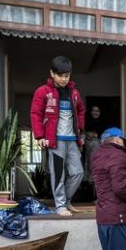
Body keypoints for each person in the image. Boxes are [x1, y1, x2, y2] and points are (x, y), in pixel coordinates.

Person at [30, 56, 85, 217]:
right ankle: (60, 206)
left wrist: (80, 128)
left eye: (67, 76)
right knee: (58, 174)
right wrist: (39, 136)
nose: (63, 79)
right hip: (55, 141)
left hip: (73, 140)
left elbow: (81, 110)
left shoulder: (74, 93)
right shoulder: (43, 92)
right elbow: (35, 114)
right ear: (52, 73)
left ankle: (66, 200)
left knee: (78, 172)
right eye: (60, 75)